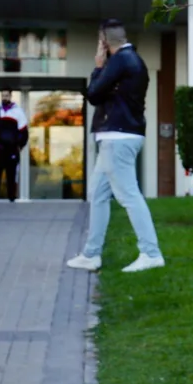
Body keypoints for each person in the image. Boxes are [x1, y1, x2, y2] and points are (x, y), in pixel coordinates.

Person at [67, 19, 165, 273]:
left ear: (103, 41)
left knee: (128, 195)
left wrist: (98, 67)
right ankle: (91, 254)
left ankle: (151, 253)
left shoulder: (120, 61)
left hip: (117, 136)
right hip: (121, 135)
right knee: (98, 194)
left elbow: (94, 94)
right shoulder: (135, 61)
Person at [0, 88, 28, 202]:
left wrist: (18, 146)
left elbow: (24, 132)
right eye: (2, 95)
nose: (4, 98)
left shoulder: (18, 111)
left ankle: (11, 198)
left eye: (6, 95)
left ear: (11, 96)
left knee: (11, 174)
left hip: (11, 149)